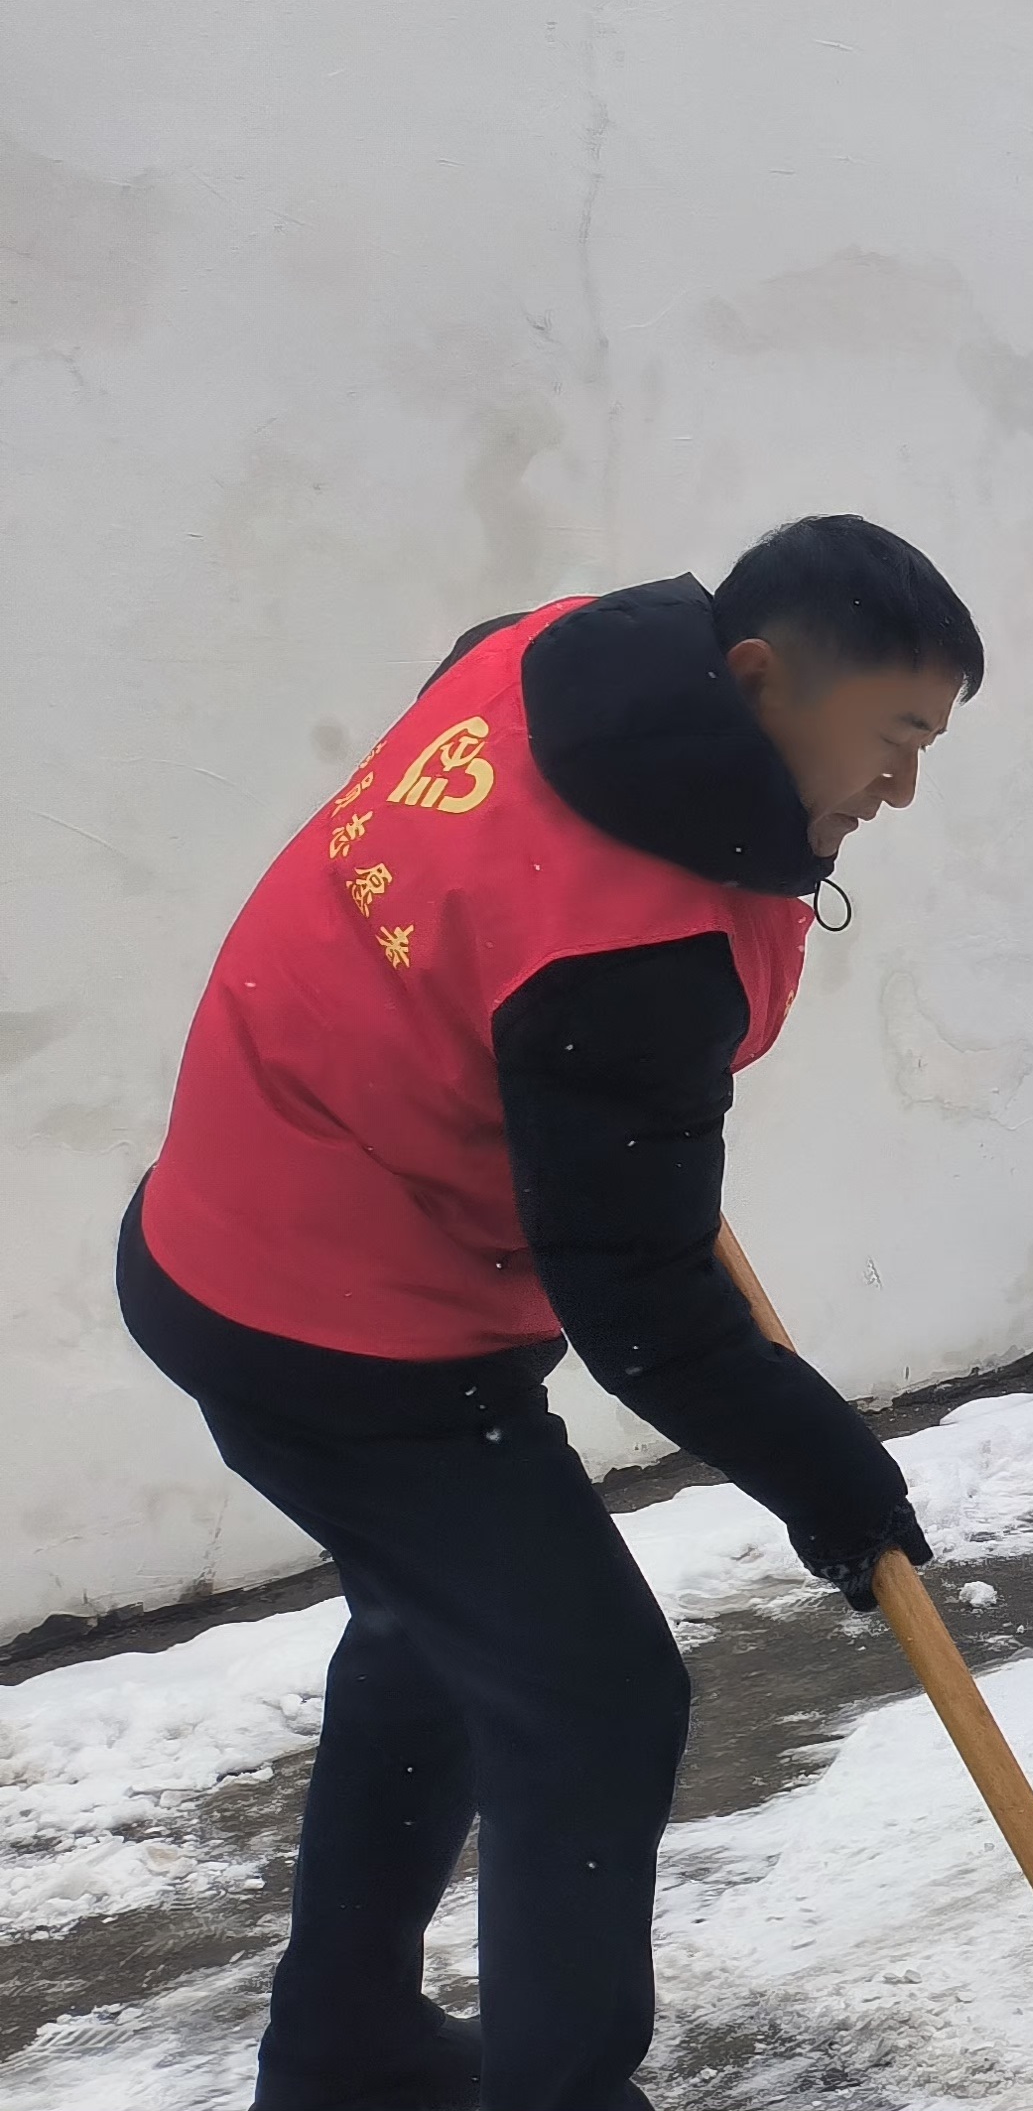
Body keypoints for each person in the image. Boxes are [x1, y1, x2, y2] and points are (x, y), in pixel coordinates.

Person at [119, 519, 981, 2111]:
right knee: (594, 1700)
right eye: (897, 737)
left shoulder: (563, 650)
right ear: (757, 678)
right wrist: (832, 1477)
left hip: (237, 1216)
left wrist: (565, 1101)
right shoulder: (633, 953)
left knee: (444, 1638)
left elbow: (494, 858)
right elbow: (643, 1306)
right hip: (338, 1318)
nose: (904, 789)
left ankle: (344, 2053)